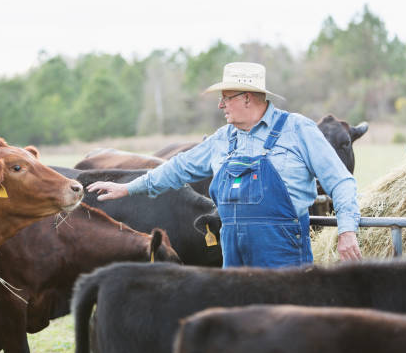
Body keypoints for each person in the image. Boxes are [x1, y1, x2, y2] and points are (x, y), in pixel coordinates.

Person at [87, 62, 361, 268]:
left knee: (284, 330)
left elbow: (341, 181)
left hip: (284, 256)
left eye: (226, 97)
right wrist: (127, 188)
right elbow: (176, 169)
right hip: (233, 259)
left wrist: (347, 230)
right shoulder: (222, 140)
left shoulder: (298, 130)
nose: (220, 105)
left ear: (247, 98)